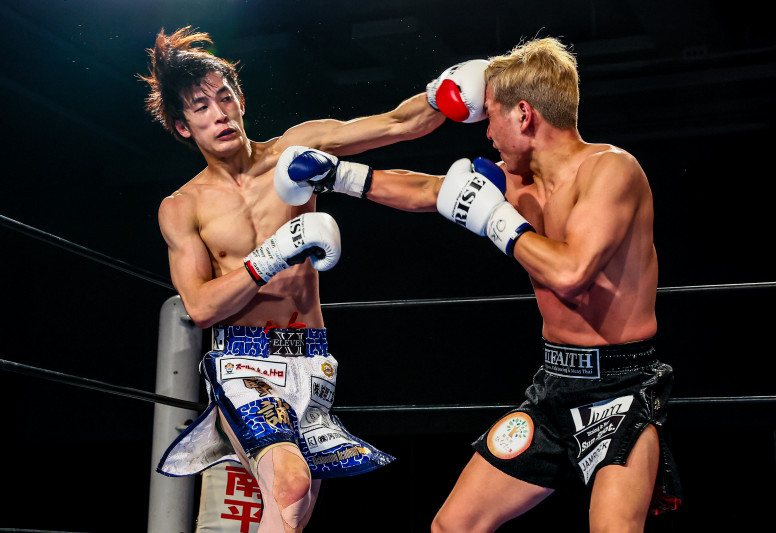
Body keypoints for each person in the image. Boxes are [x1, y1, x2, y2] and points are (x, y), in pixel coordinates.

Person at [274, 36, 682, 532]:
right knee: (452, 526)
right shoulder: (517, 180)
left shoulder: (611, 171)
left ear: (524, 115)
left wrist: (496, 220)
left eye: (490, 117)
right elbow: (429, 190)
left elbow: (571, 275)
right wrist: (340, 175)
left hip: (620, 390)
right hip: (553, 384)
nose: (486, 132)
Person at [137, 26, 464, 533]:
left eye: (224, 98)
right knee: (290, 485)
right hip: (243, 360)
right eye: (201, 107)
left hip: (311, 358)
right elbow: (199, 307)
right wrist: (270, 256)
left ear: (241, 101)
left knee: (294, 506)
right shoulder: (182, 207)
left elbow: (400, 123)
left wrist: (453, 91)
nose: (219, 113)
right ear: (183, 127)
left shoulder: (294, 151)